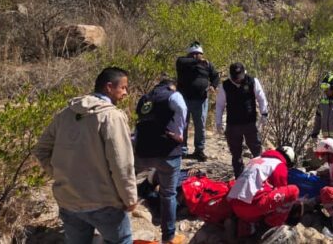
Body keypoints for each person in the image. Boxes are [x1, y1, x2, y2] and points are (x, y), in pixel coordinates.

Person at [34, 67, 138, 244]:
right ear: (109, 87)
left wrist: (59, 175)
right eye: (123, 88)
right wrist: (130, 198)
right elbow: (121, 165)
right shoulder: (111, 117)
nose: (126, 93)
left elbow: (41, 149)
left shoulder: (65, 114)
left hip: (68, 199)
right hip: (104, 202)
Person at [133, 78, 187, 244]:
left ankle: (119, 235)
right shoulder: (173, 95)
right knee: (168, 194)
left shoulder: (144, 99)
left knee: (123, 187)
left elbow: (140, 123)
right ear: (172, 86)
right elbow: (182, 108)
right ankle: (168, 237)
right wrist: (179, 133)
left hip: (143, 153)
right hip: (167, 153)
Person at [227, 146, 299, 237]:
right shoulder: (279, 164)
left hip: (235, 206)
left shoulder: (256, 159)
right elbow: (281, 191)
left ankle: (247, 225)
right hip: (253, 207)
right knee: (293, 190)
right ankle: (270, 225)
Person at [215, 62, 269, 178]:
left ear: (244, 73)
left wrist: (264, 113)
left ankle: (260, 177)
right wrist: (218, 122)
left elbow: (261, 98)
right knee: (236, 154)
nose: (237, 80)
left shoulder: (252, 81)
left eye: (239, 77)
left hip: (250, 123)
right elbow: (220, 105)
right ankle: (239, 178)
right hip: (233, 125)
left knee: (256, 151)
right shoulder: (225, 85)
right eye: (235, 78)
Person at [176, 41, 219, 161]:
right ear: (189, 54)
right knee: (183, 125)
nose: (195, 56)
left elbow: (215, 76)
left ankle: (199, 150)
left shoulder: (207, 65)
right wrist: (198, 60)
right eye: (193, 54)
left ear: (202, 53)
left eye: (198, 54)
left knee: (200, 126)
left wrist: (213, 86)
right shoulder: (183, 63)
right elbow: (181, 61)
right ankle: (182, 150)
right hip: (183, 100)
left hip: (200, 100)